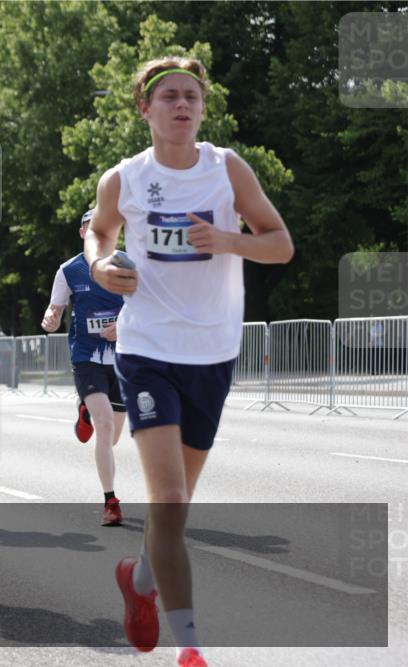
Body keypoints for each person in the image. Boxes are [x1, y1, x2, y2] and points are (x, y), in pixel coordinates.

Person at [85, 57, 294, 667]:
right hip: (147, 348)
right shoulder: (122, 178)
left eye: (192, 98)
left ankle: (141, 582)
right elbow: (98, 233)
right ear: (145, 109)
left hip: (213, 353)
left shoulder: (227, 169)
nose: (182, 105)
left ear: (202, 109)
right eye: (170, 96)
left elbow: (280, 244)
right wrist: (101, 266)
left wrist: (228, 239)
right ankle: (191, 649)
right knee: (169, 499)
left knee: (174, 511)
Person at [42, 208, 126, 526]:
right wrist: (50, 318)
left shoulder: (127, 266)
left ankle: (85, 412)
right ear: (82, 233)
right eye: (92, 228)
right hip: (87, 358)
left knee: (113, 437)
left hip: (123, 361)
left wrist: (125, 324)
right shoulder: (69, 270)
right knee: (104, 427)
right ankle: (111, 501)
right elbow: (54, 307)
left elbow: (149, 309)